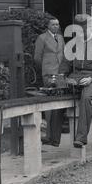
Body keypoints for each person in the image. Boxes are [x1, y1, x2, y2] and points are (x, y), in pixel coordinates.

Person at [60, 14, 92, 148]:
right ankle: (51, 137)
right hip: (76, 76)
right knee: (56, 91)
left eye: (84, 29)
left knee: (86, 97)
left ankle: (81, 138)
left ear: (90, 28)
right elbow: (66, 62)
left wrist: (91, 78)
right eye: (79, 29)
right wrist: (62, 76)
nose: (81, 32)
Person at [34, 17, 65, 147]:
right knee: (50, 105)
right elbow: (37, 58)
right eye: (53, 24)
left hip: (60, 74)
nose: (55, 26)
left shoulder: (61, 38)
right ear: (48, 26)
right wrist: (45, 69)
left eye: (57, 24)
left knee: (59, 106)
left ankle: (55, 139)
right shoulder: (42, 38)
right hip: (48, 74)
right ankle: (48, 136)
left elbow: (63, 55)